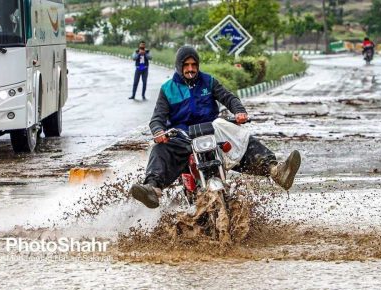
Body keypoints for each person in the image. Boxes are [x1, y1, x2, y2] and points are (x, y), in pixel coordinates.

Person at [129, 45, 302, 209]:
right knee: (160, 149)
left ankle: (276, 171)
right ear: (179, 66)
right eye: (186, 65)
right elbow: (157, 118)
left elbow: (229, 98)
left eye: (194, 64)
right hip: (183, 138)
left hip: (211, 132)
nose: (190, 69)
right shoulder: (168, 89)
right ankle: (152, 189)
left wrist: (239, 112)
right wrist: (159, 131)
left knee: (238, 136)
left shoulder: (208, 81)